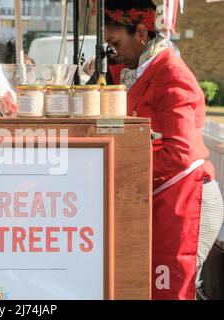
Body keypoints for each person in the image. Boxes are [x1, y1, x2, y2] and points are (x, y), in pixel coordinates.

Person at [99, 0, 224, 299]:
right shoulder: (139, 70)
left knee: (175, 292)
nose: (112, 52)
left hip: (187, 200)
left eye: (115, 42)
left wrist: (120, 174)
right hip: (168, 196)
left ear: (141, 33)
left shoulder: (171, 75)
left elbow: (178, 154)